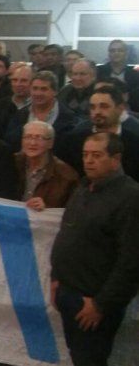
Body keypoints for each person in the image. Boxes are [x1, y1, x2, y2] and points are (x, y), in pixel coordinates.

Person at [50, 132, 139, 366]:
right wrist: (56, 278)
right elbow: (67, 231)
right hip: (67, 290)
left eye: (97, 155)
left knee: (90, 359)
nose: (88, 161)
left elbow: (131, 261)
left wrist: (102, 305)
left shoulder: (131, 197)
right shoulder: (83, 186)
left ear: (115, 159)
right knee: (77, 355)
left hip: (93, 301)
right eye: (85, 154)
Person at [62, 86, 139, 182]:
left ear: (120, 108)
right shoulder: (73, 141)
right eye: (92, 107)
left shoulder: (135, 142)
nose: (97, 112)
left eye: (104, 106)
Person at [5, 71, 79, 154]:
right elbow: (10, 142)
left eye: (44, 89)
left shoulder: (69, 118)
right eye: (35, 88)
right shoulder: (19, 115)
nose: (38, 93)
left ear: (55, 92)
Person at [14, 121, 79, 210]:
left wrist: (47, 208)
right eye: (28, 137)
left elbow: (72, 211)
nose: (33, 143)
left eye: (39, 138)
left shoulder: (66, 176)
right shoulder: (10, 163)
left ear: (50, 143)